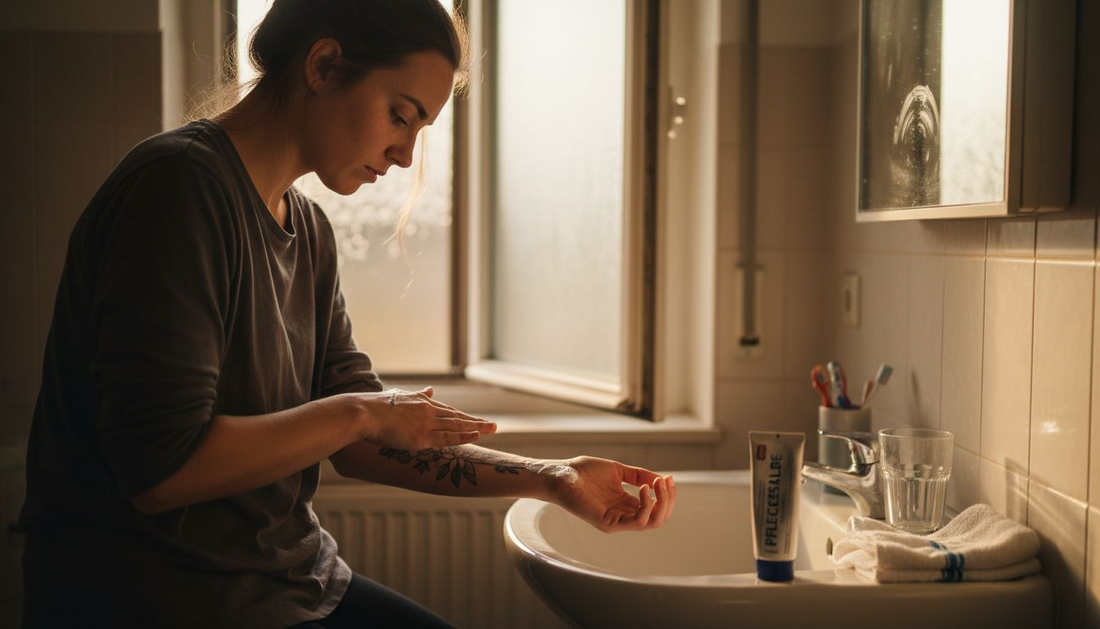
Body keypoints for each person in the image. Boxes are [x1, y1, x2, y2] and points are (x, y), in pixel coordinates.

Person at [17, 1, 677, 627]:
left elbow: (364, 445)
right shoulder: (177, 189)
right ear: (324, 65)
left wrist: (553, 479)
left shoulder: (308, 230)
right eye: (400, 114)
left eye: (419, 130)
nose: (405, 155)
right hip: (160, 602)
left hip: (291, 585)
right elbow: (161, 470)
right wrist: (362, 410)